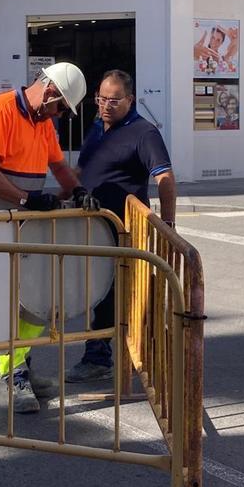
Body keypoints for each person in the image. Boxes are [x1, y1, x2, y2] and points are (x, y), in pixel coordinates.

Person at [0, 61, 86, 413]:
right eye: (61, 106)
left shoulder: (42, 122)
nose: (60, 114)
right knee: (5, 302)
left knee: (34, 301)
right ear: (49, 92)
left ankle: (18, 369)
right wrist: (27, 198)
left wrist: (77, 191)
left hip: (23, 222)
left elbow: (59, 166)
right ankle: (14, 373)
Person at [65, 69, 176, 383]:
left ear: (130, 99)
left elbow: (165, 179)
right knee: (97, 292)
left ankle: (100, 357)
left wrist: (168, 225)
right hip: (90, 225)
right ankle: (124, 351)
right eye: (101, 99)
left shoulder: (144, 132)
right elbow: (83, 170)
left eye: (114, 100)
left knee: (111, 294)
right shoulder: (98, 127)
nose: (106, 106)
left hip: (122, 228)